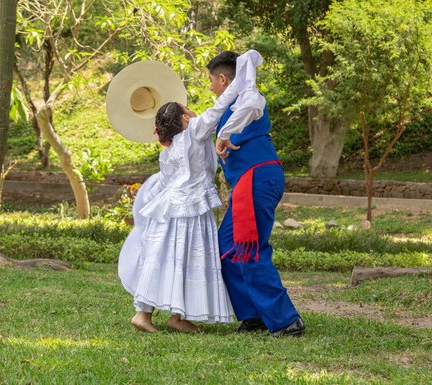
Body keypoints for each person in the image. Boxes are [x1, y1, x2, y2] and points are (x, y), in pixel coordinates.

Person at [118, 92, 241, 332]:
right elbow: (219, 107)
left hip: (169, 207)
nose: (194, 112)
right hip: (193, 207)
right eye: (189, 109)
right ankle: (176, 316)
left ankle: (145, 314)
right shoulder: (195, 129)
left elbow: (165, 181)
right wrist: (242, 77)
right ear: (185, 117)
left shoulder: (169, 148)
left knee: (164, 258)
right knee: (188, 258)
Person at [207, 49, 305, 337]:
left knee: (250, 248)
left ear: (224, 79)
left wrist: (225, 134)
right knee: (226, 249)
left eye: (211, 81)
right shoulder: (227, 106)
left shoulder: (250, 97)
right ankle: (253, 315)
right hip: (247, 184)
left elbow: (248, 107)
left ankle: (286, 320)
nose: (210, 87)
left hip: (257, 178)